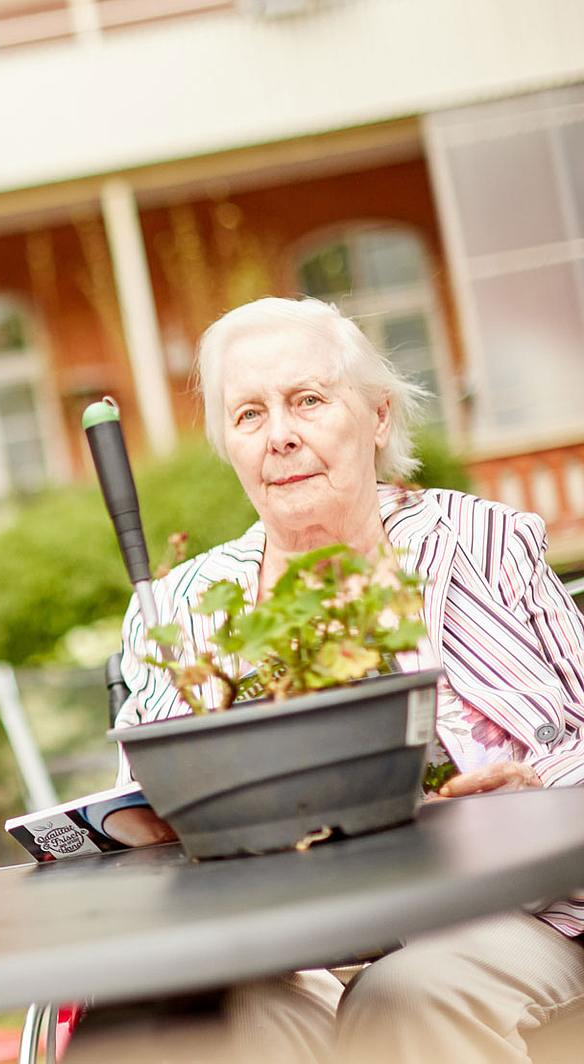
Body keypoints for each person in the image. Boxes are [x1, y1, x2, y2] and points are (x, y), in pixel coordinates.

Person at [81, 296, 584, 1063]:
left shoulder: (483, 543)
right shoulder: (178, 606)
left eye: (308, 401)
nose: (279, 435)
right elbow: (141, 830)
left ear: (378, 417)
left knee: (404, 997)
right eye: (249, 415)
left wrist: (532, 800)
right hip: (292, 950)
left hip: (514, 919)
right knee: (198, 1024)